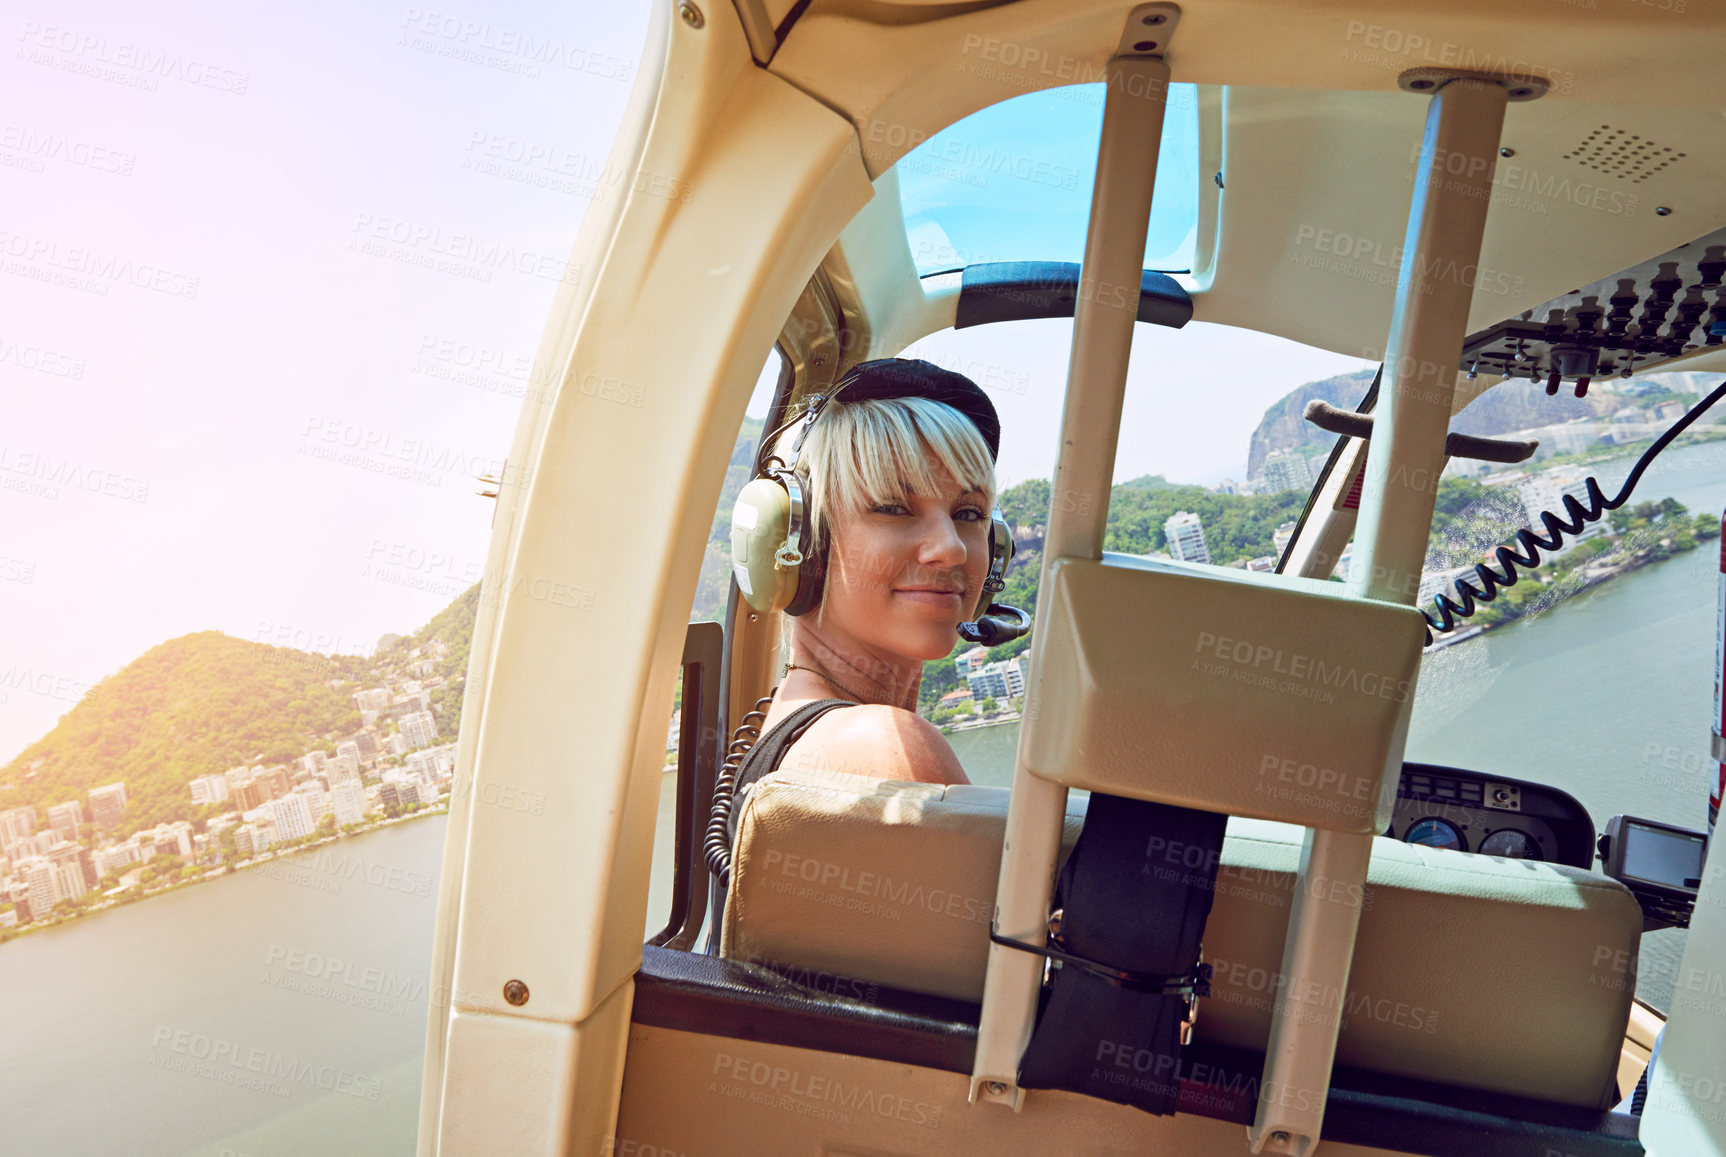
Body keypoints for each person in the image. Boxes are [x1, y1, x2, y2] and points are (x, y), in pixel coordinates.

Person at [736, 358, 1006, 791]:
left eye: (969, 513)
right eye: (893, 508)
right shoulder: (885, 749)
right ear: (806, 544)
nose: (952, 548)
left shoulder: (798, 725)